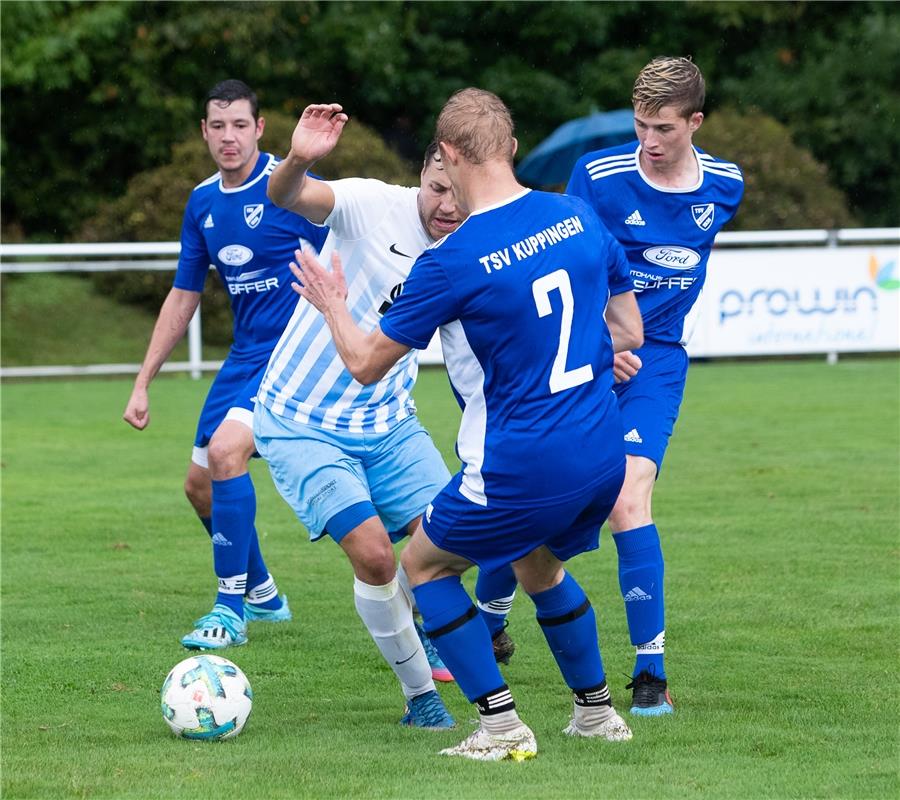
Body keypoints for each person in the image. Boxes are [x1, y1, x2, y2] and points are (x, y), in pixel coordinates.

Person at [293, 87, 644, 761]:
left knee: (423, 566)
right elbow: (627, 330)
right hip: (602, 452)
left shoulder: (450, 260)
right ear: (511, 146)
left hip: (522, 463)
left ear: (448, 157)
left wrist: (334, 304)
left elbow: (366, 363)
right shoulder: (575, 214)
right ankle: (598, 715)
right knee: (537, 565)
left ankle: (501, 727)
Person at [252, 103, 464, 728]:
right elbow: (288, 196)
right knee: (374, 555)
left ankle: (426, 616)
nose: (445, 206)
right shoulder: (374, 205)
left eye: (457, 194)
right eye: (435, 189)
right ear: (421, 175)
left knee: (452, 544)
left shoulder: (477, 244)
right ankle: (422, 698)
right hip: (301, 420)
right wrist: (297, 159)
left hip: (391, 424)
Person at [565, 56, 745, 714]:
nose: (649, 140)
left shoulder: (726, 185)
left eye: (664, 128)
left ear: (695, 122)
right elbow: (571, 268)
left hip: (659, 360)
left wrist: (640, 339)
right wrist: (601, 345)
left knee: (628, 494)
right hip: (586, 356)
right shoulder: (598, 177)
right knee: (547, 495)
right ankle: (494, 613)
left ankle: (650, 674)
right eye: (641, 125)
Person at [123, 80, 328, 650]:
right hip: (243, 357)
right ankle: (263, 594)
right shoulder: (202, 202)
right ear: (204, 132)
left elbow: (354, 245)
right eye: (218, 126)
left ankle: (228, 609)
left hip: (295, 358)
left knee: (225, 454)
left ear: (260, 129)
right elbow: (184, 295)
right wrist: (143, 382)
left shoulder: (292, 189)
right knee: (198, 487)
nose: (229, 137)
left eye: (240, 125)